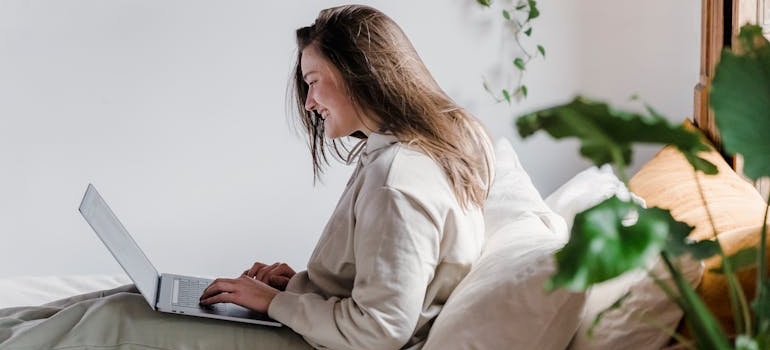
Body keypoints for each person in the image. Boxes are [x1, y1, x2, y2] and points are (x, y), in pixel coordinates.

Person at [0, 5, 493, 350]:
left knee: (115, 320)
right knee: (122, 296)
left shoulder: (398, 178)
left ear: (362, 73)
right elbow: (385, 279)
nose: (309, 103)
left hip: (318, 344)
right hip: (313, 325)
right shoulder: (419, 150)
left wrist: (277, 303)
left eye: (314, 83)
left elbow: (380, 331)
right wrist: (302, 285)